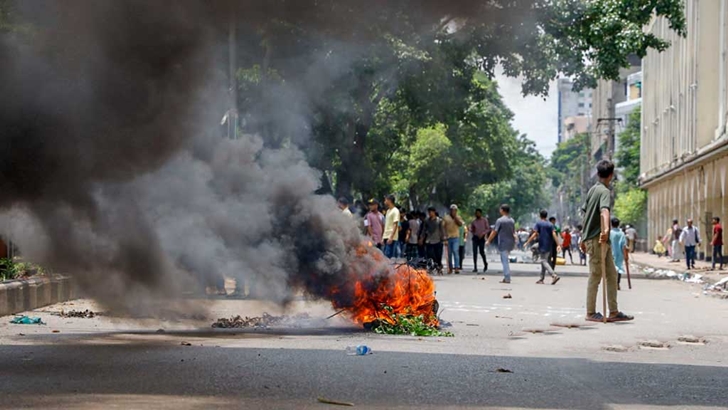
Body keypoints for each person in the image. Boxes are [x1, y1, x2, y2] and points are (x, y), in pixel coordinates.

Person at [579, 159, 633, 322]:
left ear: (598, 173)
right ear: (611, 175)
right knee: (595, 275)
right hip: (597, 240)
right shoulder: (603, 191)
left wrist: (583, 236)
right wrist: (606, 229)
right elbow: (604, 212)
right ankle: (590, 312)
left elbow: (585, 214)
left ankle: (614, 311)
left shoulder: (592, 190)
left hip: (603, 241)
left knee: (611, 273)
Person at [524, 210, 561, 285]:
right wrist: (558, 244)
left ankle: (554, 275)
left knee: (543, 260)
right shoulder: (550, 224)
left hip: (542, 244)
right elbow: (554, 234)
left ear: (540, 215)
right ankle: (541, 279)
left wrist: (527, 242)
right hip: (549, 245)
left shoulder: (539, 223)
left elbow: (534, 234)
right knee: (544, 260)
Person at [486, 204, 516, 283]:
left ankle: (507, 277)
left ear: (502, 210)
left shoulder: (500, 220)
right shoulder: (512, 220)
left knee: (504, 260)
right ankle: (506, 276)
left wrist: (488, 240)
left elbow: (494, 231)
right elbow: (513, 232)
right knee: (505, 259)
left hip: (503, 242)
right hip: (510, 242)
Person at [422, 207, 446, 273]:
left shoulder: (439, 221)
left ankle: (439, 266)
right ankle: (433, 267)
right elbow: (423, 230)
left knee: (438, 256)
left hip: (438, 240)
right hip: (429, 241)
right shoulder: (427, 221)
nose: (430, 213)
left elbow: (442, 230)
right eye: (429, 212)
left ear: (434, 212)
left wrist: (444, 238)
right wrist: (421, 238)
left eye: (431, 212)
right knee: (430, 255)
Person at [442, 204, 464, 274]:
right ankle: (450, 267)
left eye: (455, 210)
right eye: (452, 210)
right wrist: (444, 237)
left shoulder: (458, 217)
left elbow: (460, 224)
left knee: (455, 251)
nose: (453, 211)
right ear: (450, 210)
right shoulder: (446, 217)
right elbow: (443, 227)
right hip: (448, 238)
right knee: (449, 254)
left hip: (455, 237)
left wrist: (455, 218)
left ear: (456, 211)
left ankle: (456, 267)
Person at [610, 217, 628, 291]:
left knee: (611, 268)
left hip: (610, 253)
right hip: (620, 253)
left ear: (611, 224)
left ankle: (613, 283)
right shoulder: (622, 233)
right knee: (619, 268)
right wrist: (625, 255)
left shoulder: (609, 233)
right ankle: (617, 283)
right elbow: (624, 245)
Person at [470, 209, 489, 273]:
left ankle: (485, 264)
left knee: (481, 252)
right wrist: (472, 231)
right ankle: (475, 267)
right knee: (474, 252)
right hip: (475, 238)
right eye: (476, 213)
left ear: (480, 213)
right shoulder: (473, 221)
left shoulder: (484, 220)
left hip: (481, 238)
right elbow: (471, 229)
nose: (477, 214)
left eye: (478, 213)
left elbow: (487, 229)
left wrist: (483, 233)